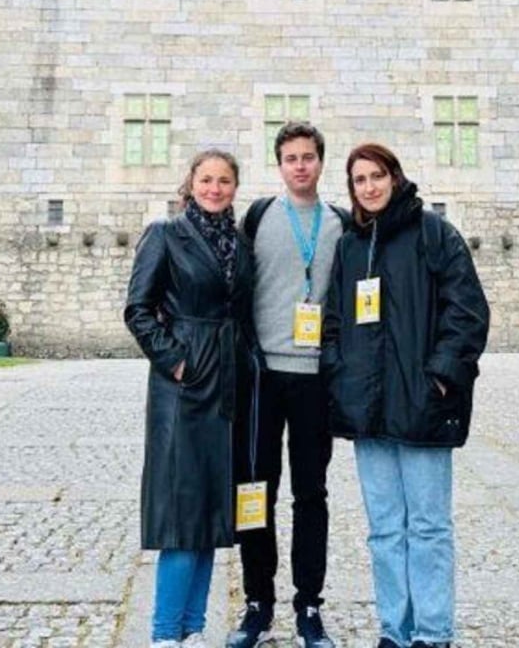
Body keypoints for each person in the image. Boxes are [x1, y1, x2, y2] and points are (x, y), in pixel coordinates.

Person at [321, 143, 490, 648]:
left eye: (376, 176)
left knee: (430, 528)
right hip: (368, 411)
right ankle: (395, 630)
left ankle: (434, 633)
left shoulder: (434, 234)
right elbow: (333, 321)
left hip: (422, 405)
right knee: (385, 531)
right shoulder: (352, 245)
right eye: (359, 180)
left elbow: (468, 311)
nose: (369, 187)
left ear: (394, 177)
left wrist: (440, 376)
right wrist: (339, 374)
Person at [124, 149, 257, 648]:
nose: (215, 188)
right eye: (207, 179)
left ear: (234, 187)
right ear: (191, 183)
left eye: (224, 181)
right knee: (181, 511)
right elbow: (137, 309)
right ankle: (164, 632)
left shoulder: (240, 244)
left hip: (227, 383)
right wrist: (176, 359)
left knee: (211, 508)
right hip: (182, 387)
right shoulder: (165, 234)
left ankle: (194, 628)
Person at [227, 123, 347, 648]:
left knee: (311, 495)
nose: (300, 165)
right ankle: (257, 602)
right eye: (290, 158)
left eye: (308, 157)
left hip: (314, 379)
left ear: (321, 163)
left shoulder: (341, 224)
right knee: (255, 490)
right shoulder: (257, 218)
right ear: (279, 165)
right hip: (261, 377)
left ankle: (309, 604)